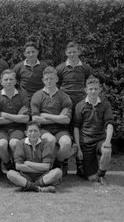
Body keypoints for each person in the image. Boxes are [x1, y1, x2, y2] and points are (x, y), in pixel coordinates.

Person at [31, 66, 75, 176]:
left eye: (51, 78)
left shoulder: (64, 96)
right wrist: (57, 118)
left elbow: (66, 120)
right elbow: (35, 119)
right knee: (50, 140)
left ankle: (57, 164)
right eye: (46, 79)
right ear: (43, 80)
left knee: (66, 143)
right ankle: (46, 167)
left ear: (57, 79)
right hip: (43, 130)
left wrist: (45, 115)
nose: (49, 81)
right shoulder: (37, 95)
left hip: (61, 130)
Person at [56, 41, 91, 175]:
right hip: (66, 104)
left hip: (80, 104)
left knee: (79, 132)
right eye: (69, 52)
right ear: (66, 53)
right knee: (65, 132)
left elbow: (86, 82)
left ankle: (80, 165)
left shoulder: (86, 67)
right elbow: (56, 84)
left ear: (79, 52)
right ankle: (63, 164)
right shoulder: (60, 68)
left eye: (74, 52)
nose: (72, 54)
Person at [73, 75, 114, 185]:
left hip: (100, 140)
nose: (93, 91)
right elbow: (76, 127)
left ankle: (101, 175)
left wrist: (107, 141)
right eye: (90, 89)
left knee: (107, 151)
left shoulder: (105, 104)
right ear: (86, 90)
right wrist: (79, 148)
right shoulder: (80, 106)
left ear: (100, 89)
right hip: (86, 143)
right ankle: (84, 168)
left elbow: (109, 124)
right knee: (91, 178)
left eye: (96, 89)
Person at [7, 121, 62, 192]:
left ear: (40, 133)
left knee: (58, 172)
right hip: (25, 175)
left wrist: (28, 163)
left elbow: (46, 167)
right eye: (30, 131)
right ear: (26, 133)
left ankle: (27, 186)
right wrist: (39, 168)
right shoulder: (20, 143)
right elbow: (18, 166)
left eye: (36, 131)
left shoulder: (46, 143)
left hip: (42, 175)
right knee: (10, 174)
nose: (33, 133)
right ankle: (38, 188)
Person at [0, 69, 30, 173]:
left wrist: (5, 115)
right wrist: (17, 117)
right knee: (2, 144)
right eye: (6, 79)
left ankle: (18, 167)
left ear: (15, 81)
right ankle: (9, 167)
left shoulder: (23, 96)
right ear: (1, 82)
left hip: (18, 128)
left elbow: (26, 119)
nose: (8, 81)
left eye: (11, 79)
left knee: (14, 143)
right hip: (1, 129)